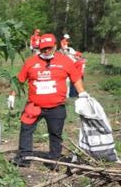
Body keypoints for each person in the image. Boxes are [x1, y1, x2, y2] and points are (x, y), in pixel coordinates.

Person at [14, 34, 87, 166]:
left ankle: (54, 160)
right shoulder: (31, 62)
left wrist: (82, 94)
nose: (46, 51)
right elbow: (19, 80)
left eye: (49, 48)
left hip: (56, 106)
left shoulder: (65, 61)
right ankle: (24, 158)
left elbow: (75, 78)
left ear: (55, 46)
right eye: (43, 49)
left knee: (55, 134)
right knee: (26, 129)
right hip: (34, 106)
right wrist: (12, 95)